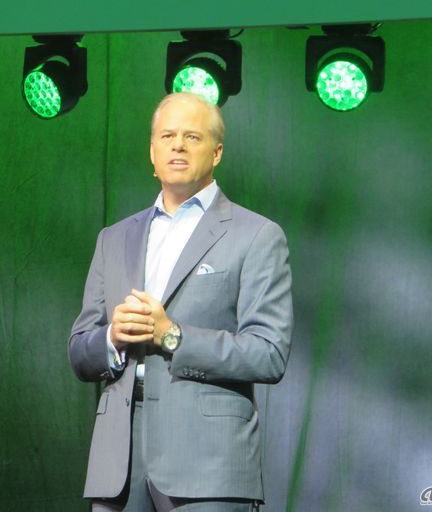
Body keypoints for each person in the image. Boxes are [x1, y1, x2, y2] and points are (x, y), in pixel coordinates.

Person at [68, 92, 293, 512]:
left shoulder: (257, 235)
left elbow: (269, 353)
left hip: (207, 461)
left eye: (192, 136)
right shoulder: (113, 239)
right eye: (167, 136)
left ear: (217, 152)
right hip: (118, 462)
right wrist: (113, 338)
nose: (178, 146)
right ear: (152, 152)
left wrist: (171, 335)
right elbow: (80, 350)